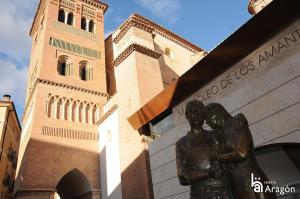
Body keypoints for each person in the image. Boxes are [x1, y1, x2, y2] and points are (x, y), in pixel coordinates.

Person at [204, 103, 277, 199]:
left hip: (250, 180)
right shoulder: (218, 134)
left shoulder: (236, 124)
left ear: (215, 114)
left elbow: (242, 153)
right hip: (235, 183)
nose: (207, 123)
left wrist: (217, 157)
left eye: (207, 119)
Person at [175, 100, 232, 199]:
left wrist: (239, 119)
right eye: (193, 112)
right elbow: (183, 177)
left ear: (204, 115)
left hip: (224, 191)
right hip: (200, 195)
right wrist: (208, 173)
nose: (196, 114)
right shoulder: (182, 143)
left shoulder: (216, 134)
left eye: (199, 111)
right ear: (187, 116)